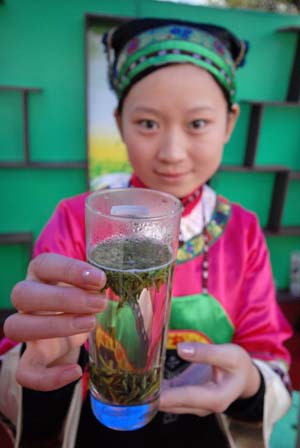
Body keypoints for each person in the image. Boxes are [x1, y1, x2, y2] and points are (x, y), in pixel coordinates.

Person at [0, 17, 293, 448]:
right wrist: (42, 351)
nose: (172, 153)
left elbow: (268, 353)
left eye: (197, 124)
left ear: (230, 123)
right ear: (120, 123)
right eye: (148, 124)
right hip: (97, 421)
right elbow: (29, 344)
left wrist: (248, 382)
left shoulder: (243, 232)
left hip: (204, 430)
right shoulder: (77, 218)